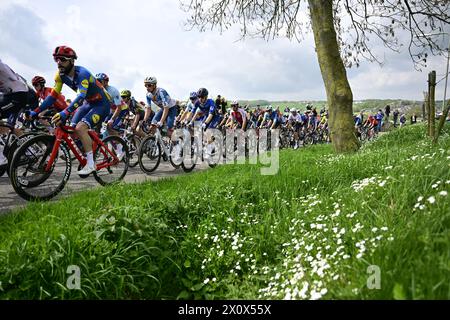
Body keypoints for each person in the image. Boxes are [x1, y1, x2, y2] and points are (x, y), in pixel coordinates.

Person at [29, 46, 113, 175]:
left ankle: (91, 164)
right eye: (56, 59)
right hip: (88, 103)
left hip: (102, 104)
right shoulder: (60, 75)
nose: (59, 63)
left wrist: (65, 112)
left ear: (72, 61)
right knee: (71, 129)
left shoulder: (82, 74)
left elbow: (81, 96)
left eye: (62, 59)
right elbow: (52, 97)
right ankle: (86, 149)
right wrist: (35, 111)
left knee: (80, 128)